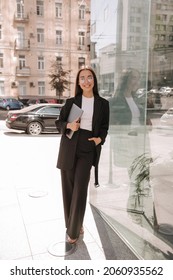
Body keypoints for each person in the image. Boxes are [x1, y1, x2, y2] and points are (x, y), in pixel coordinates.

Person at [55, 66, 109, 244]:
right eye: (82, 78)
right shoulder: (72, 102)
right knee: (68, 188)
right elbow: (59, 122)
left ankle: (73, 232)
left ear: (94, 80)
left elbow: (104, 127)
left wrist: (99, 140)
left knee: (80, 188)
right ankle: (74, 223)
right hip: (70, 145)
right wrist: (69, 126)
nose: (86, 81)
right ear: (78, 82)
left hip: (88, 146)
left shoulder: (103, 103)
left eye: (89, 77)